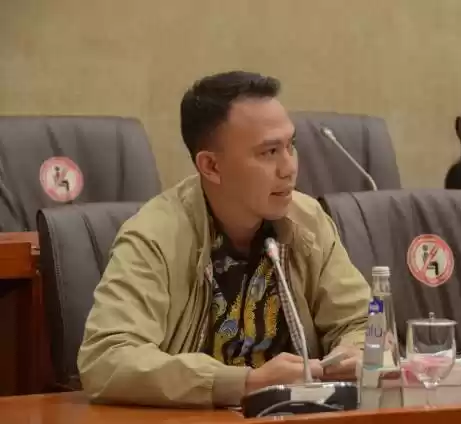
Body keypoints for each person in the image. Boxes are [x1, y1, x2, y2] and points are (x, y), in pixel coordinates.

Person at [77, 71, 371, 408]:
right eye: (269, 152)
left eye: (291, 146)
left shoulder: (307, 221)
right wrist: (244, 383)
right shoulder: (154, 237)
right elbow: (107, 358)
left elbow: (361, 320)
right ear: (211, 166)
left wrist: (356, 350)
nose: (289, 168)